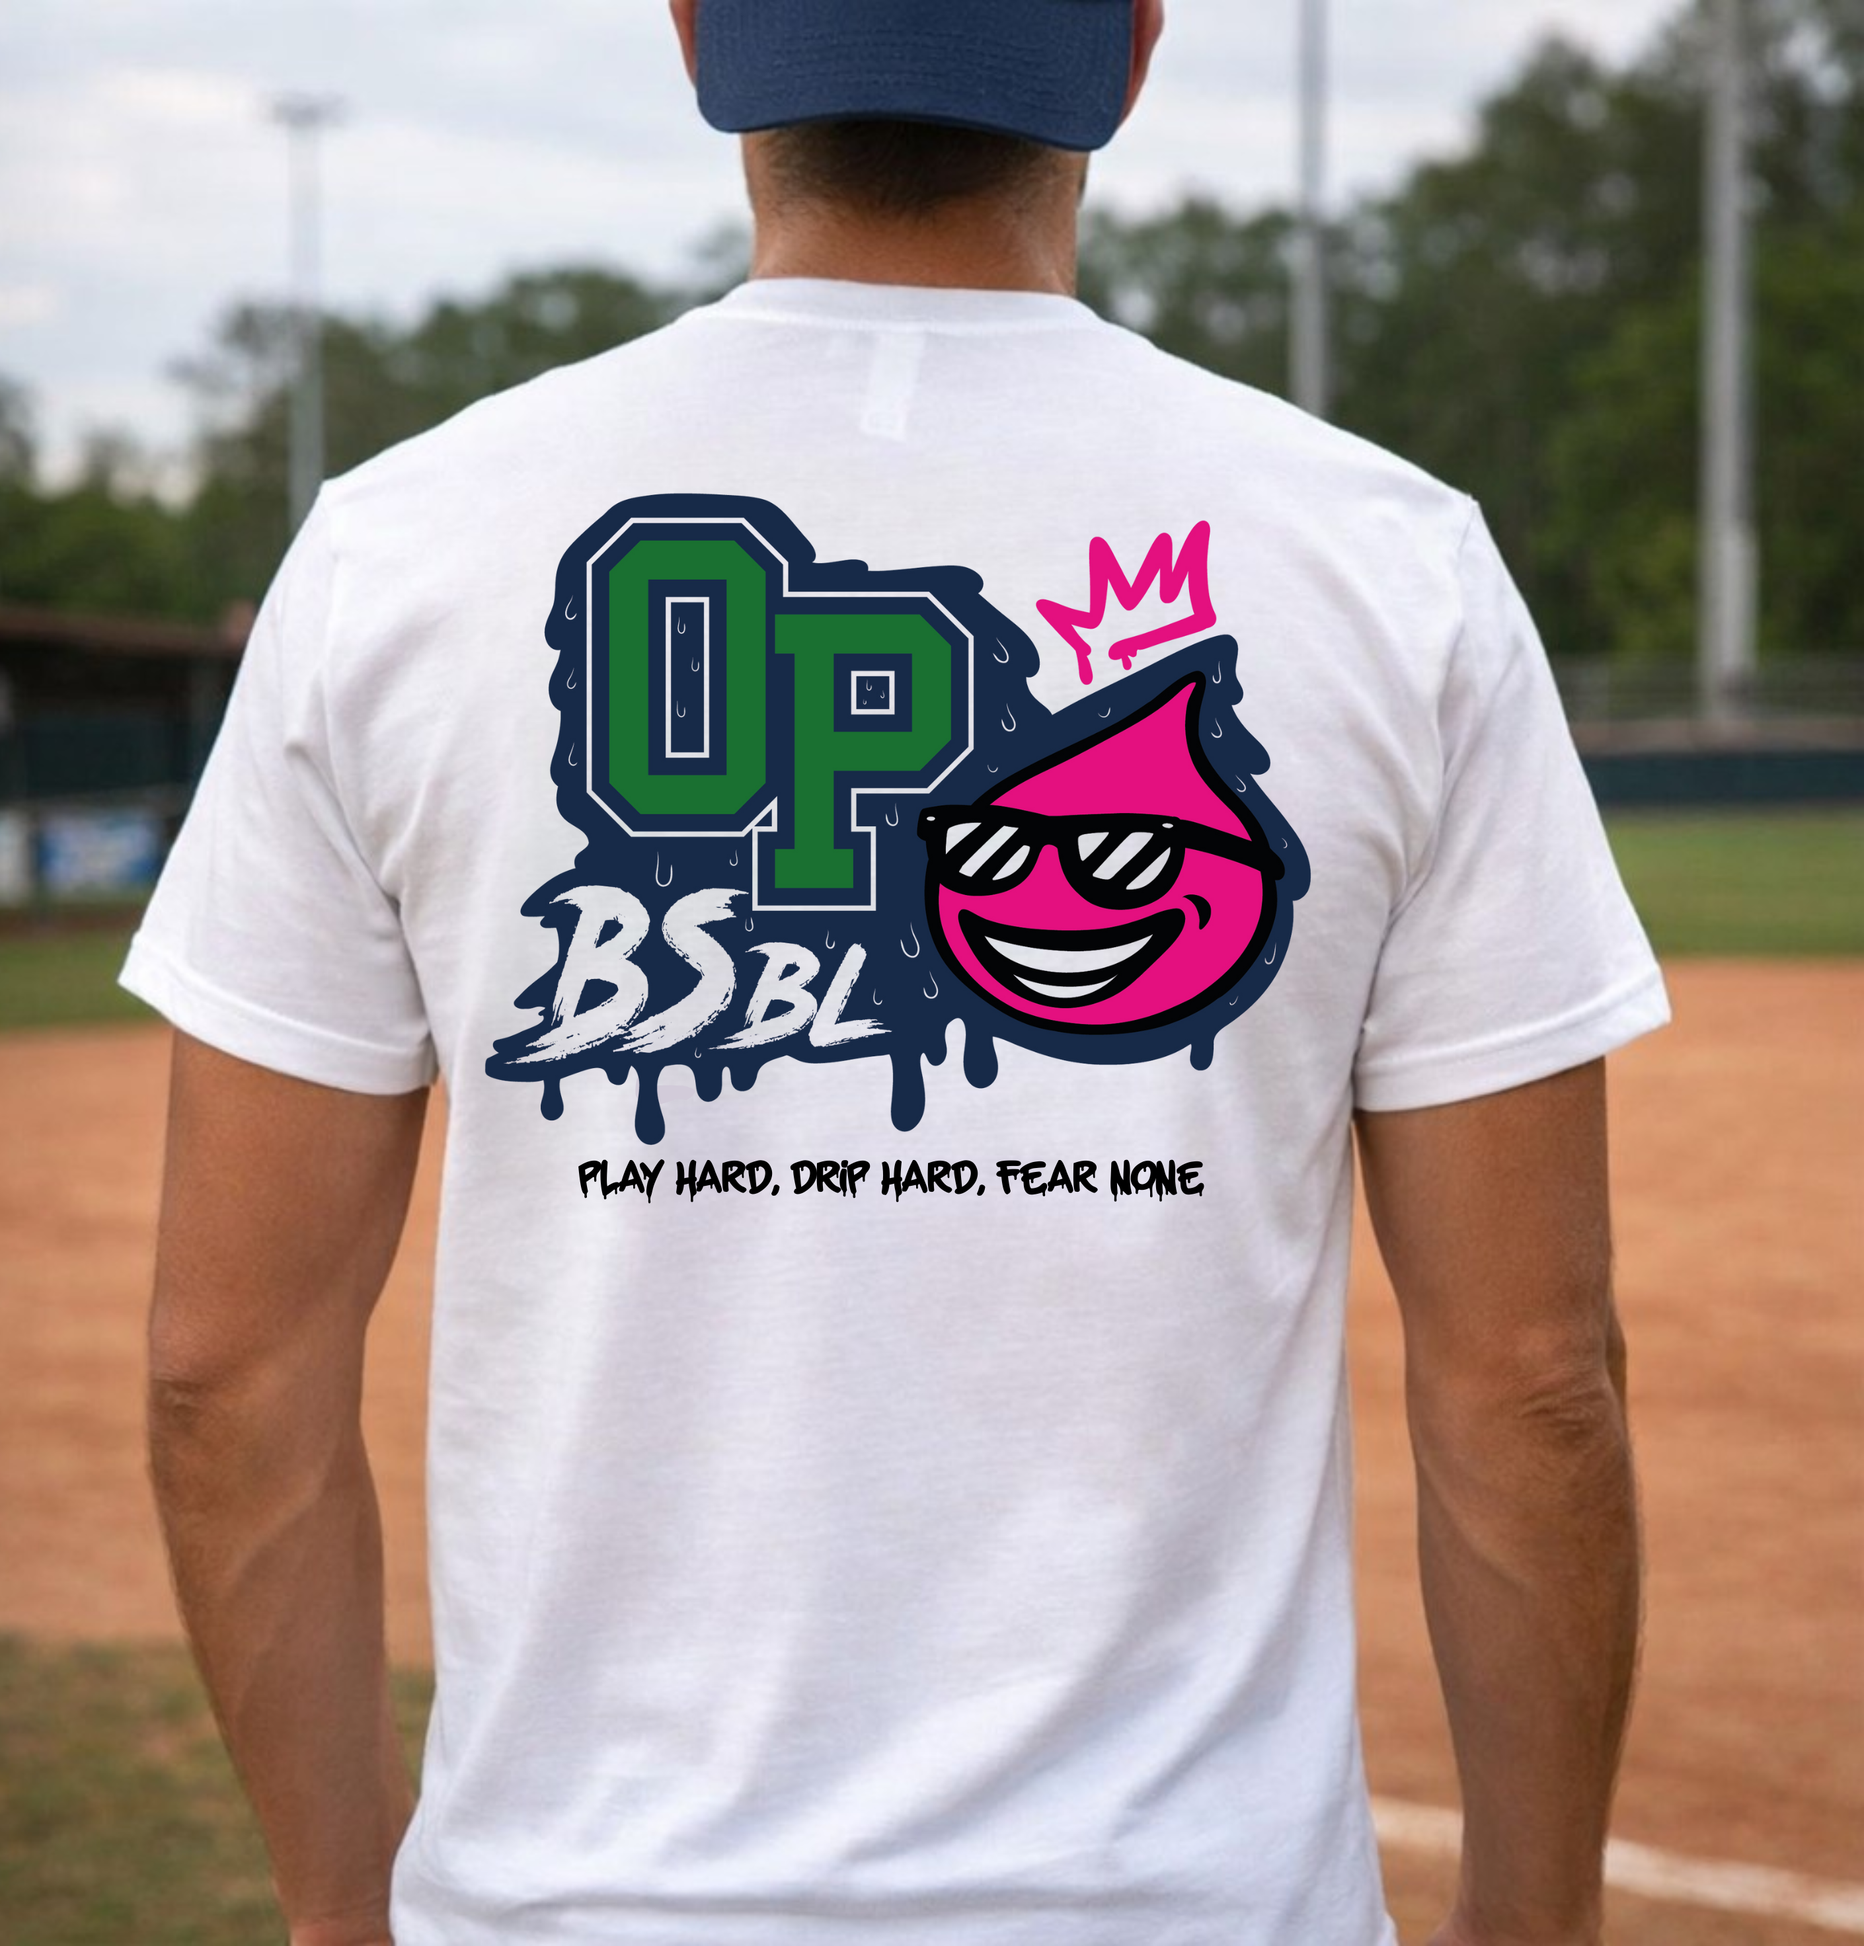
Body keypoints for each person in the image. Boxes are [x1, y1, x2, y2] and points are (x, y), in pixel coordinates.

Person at [127, 2, 1668, 1942]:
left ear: (699, 34)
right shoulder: (1390, 563)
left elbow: (226, 1373)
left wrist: (342, 1912)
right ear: (1130, 47)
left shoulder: (395, 551)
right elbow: (1531, 1384)